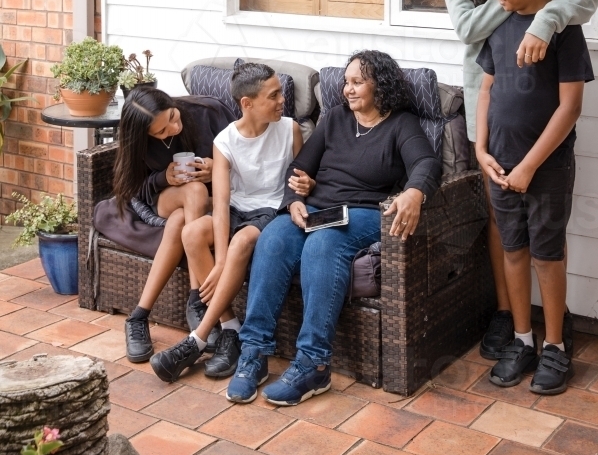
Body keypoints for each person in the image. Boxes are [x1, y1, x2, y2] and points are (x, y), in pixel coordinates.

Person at [225, 50, 441, 407]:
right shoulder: (336, 118)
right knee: (275, 238)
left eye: (358, 82)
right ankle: (254, 352)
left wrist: (415, 191)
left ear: (380, 86)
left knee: (324, 243)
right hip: (315, 207)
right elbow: (300, 167)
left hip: (364, 212)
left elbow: (427, 162)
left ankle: (314, 363)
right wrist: (293, 200)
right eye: (346, 82)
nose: (348, 90)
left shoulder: (401, 124)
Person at [434, 0, 598, 359]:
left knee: (544, 223)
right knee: (500, 216)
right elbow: (467, 29)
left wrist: (544, 18)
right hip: (488, 97)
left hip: (539, 105)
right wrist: (512, 5)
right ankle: (510, 317)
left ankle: (551, 324)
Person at [475, 0, 593, 394]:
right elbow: (486, 90)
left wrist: (528, 167)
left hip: (546, 168)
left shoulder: (562, 30)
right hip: (499, 164)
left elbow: (570, 108)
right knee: (513, 250)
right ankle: (523, 339)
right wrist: (482, 150)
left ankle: (556, 347)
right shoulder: (499, 26)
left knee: (547, 253)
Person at [149, 62, 314, 383]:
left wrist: (308, 185)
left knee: (240, 242)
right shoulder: (225, 141)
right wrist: (220, 260)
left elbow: (301, 177)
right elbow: (222, 204)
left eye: (281, 93)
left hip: (271, 211)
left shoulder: (290, 129)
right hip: (238, 209)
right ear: (247, 104)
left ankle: (196, 339)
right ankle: (230, 329)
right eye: (274, 95)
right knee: (193, 232)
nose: (283, 100)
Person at [113, 86, 234, 363]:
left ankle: (138, 316)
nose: (174, 128)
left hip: (209, 199)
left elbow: (244, 156)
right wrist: (163, 178)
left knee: (182, 217)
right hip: (163, 198)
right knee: (194, 191)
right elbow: (131, 187)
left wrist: (217, 168)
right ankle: (196, 300)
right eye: (162, 132)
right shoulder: (137, 142)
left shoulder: (206, 113)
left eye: (172, 116)